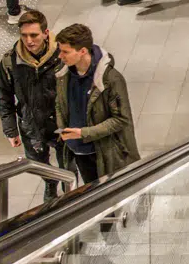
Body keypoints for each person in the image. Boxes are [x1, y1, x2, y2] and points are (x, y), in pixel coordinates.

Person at [54, 24, 139, 185]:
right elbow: (60, 102)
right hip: (77, 151)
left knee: (110, 196)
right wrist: (62, 127)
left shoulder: (111, 79)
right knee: (91, 193)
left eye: (65, 51)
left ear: (83, 51)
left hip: (104, 153)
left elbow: (121, 119)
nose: (60, 56)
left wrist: (84, 133)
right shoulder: (64, 74)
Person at [0, 10, 63, 201]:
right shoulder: (11, 61)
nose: (29, 40)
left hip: (61, 122)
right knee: (38, 164)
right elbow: (4, 96)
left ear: (45, 33)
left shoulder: (62, 55)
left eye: (34, 35)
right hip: (31, 124)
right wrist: (10, 130)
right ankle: (51, 184)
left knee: (68, 163)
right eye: (24, 35)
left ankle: (70, 189)